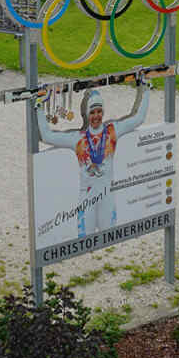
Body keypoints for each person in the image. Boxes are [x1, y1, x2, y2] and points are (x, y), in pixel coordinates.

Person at [37, 79, 152, 238]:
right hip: (87, 198)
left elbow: (138, 118)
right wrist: (38, 106)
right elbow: (47, 136)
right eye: (92, 112)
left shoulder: (113, 130)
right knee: (84, 241)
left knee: (109, 238)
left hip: (107, 196)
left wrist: (146, 89)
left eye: (99, 111)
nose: (96, 116)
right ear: (86, 114)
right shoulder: (78, 138)